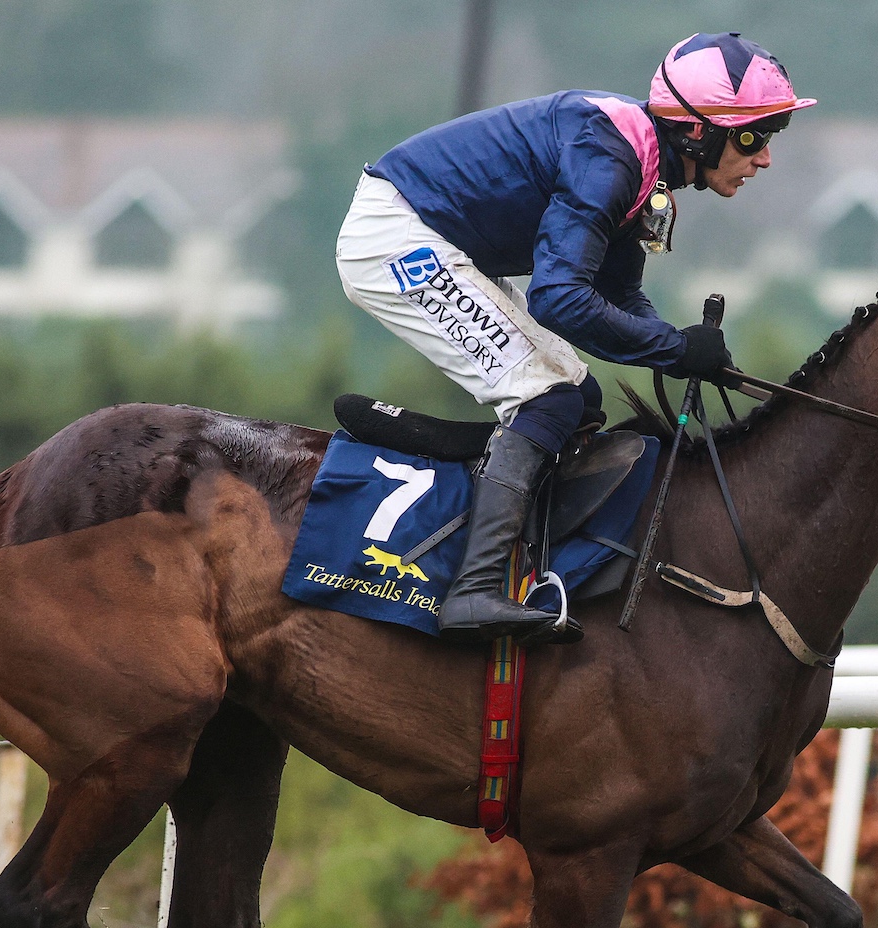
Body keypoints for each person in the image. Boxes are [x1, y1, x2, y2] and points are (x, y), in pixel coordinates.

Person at [337, 32, 814, 645]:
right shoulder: (610, 158)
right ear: (699, 131)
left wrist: (682, 348)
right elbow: (559, 298)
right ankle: (474, 591)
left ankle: (504, 526)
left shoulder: (643, 163)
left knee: (580, 400)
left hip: (440, 238)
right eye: (752, 137)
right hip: (397, 237)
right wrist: (672, 351)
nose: (765, 158)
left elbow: (615, 293)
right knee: (549, 399)